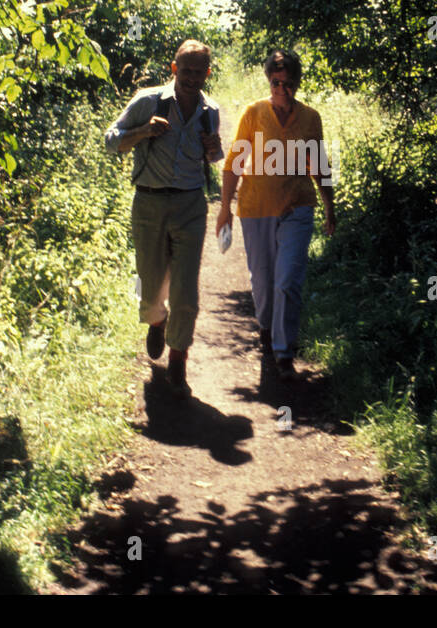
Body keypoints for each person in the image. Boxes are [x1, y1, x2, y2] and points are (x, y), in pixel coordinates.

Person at [105, 40, 223, 399]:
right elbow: (111, 141)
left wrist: (213, 149)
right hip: (149, 203)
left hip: (190, 205)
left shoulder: (209, 110)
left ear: (207, 73)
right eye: (185, 69)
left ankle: (178, 360)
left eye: (198, 70)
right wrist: (143, 132)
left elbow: (214, 157)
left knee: (186, 288)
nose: (191, 77)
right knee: (150, 283)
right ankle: (158, 320)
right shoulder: (148, 100)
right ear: (174, 69)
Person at [216, 48, 336, 380]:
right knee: (263, 283)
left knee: (288, 281)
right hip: (256, 209)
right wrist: (225, 208)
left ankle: (284, 352)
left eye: (287, 83)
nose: (281, 89)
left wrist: (329, 206)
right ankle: (266, 331)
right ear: (269, 81)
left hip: (297, 208)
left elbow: (319, 165)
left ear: (296, 83)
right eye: (275, 82)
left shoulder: (310, 118)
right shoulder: (253, 113)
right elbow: (234, 163)